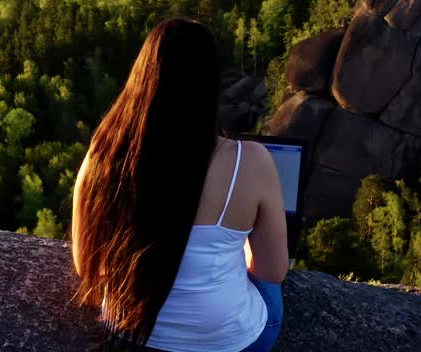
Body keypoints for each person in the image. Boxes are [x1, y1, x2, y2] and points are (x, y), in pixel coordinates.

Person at [71, 18, 288, 352]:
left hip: (128, 333)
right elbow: (272, 271)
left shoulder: (102, 155)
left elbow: (86, 262)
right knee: (269, 290)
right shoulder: (251, 162)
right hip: (229, 343)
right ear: (210, 85)